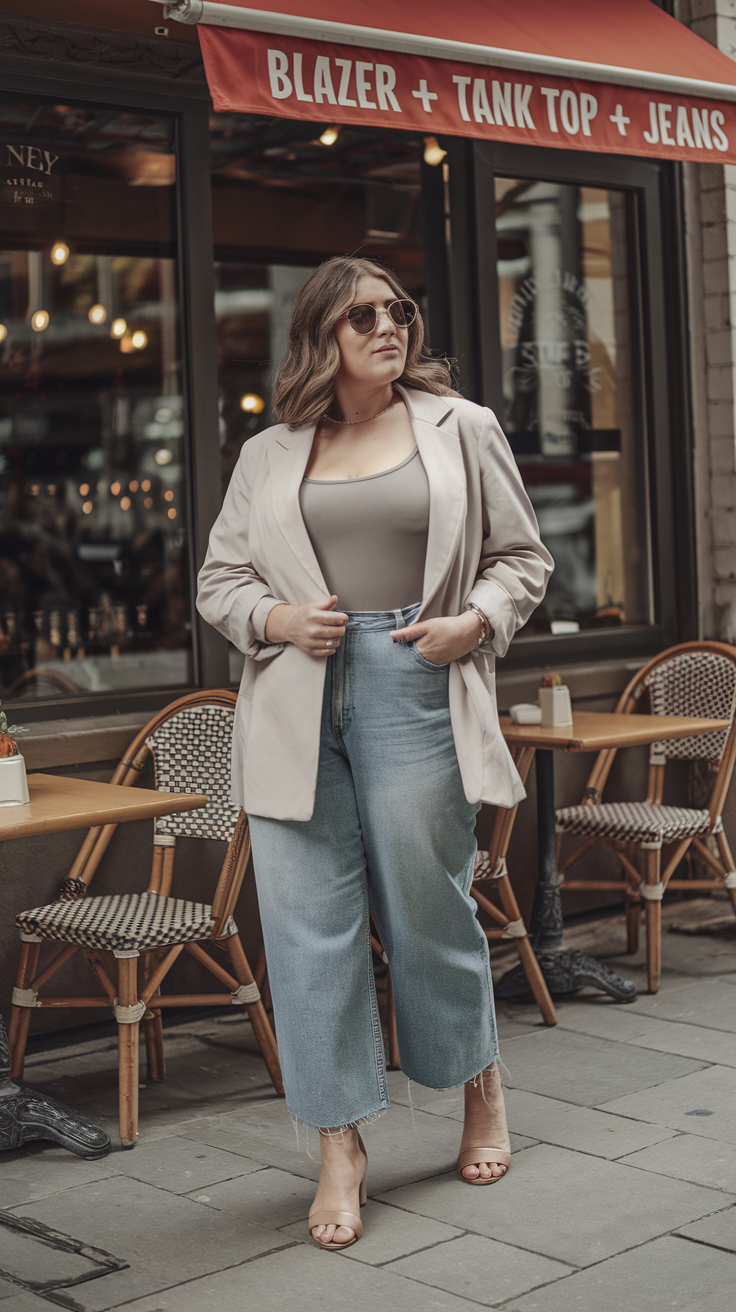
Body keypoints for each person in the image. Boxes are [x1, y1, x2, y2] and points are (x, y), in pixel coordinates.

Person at [197, 255, 553, 1251]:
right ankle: (339, 1144)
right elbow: (219, 581)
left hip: (414, 674)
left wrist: (472, 624)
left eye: (399, 309)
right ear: (323, 334)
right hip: (293, 695)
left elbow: (521, 557)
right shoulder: (269, 454)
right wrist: (269, 614)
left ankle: (480, 1086)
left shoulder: (461, 426)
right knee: (307, 931)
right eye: (363, 314)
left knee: (428, 901)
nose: (388, 324)